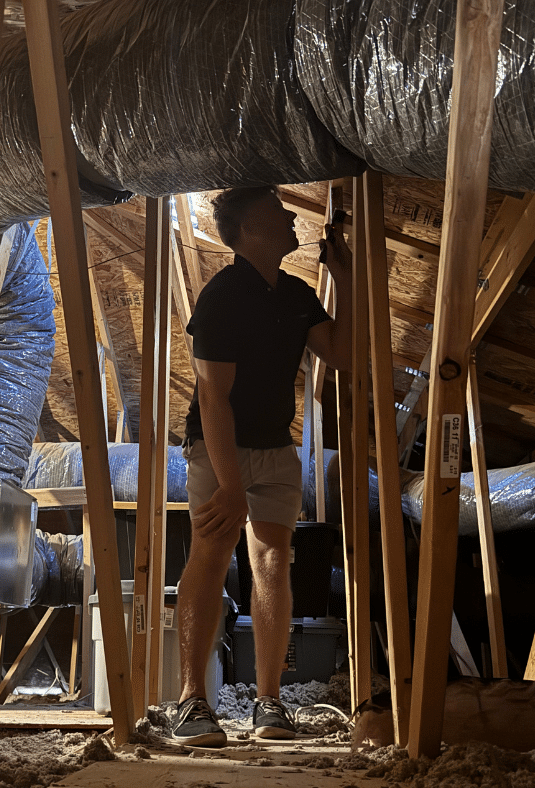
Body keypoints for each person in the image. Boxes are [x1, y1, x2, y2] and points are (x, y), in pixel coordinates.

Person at [173, 186, 352, 747]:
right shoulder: (221, 297)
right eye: (279, 211)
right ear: (251, 229)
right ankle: (191, 703)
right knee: (211, 554)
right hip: (219, 446)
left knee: (273, 563)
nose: (292, 215)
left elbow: (345, 355)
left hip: (275, 447)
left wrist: (345, 278)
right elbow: (212, 398)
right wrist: (229, 486)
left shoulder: (295, 294)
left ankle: (269, 702)